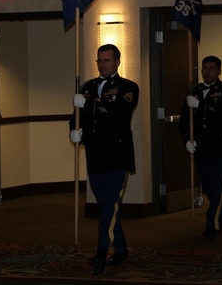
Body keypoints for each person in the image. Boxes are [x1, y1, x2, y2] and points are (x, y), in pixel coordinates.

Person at [69, 44, 139, 274]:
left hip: (117, 156)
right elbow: (78, 117)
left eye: (107, 60)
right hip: (95, 156)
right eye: (100, 60)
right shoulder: (87, 86)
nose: (103, 64)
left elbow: (116, 112)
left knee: (110, 204)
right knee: (105, 206)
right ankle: (121, 249)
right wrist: (75, 131)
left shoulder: (128, 87)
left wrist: (88, 104)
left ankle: (101, 252)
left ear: (118, 62)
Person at [179, 55, 222, 240]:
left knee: (217, 185)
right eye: (204, 68)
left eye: (212, 68)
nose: (207, 71)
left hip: (221, 146)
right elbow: (184, 121)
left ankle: (212, 224)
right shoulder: (194, 90)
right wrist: (187, 139)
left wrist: (200, 105)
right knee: (208, 187)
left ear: (219, 71)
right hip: (202, 148)